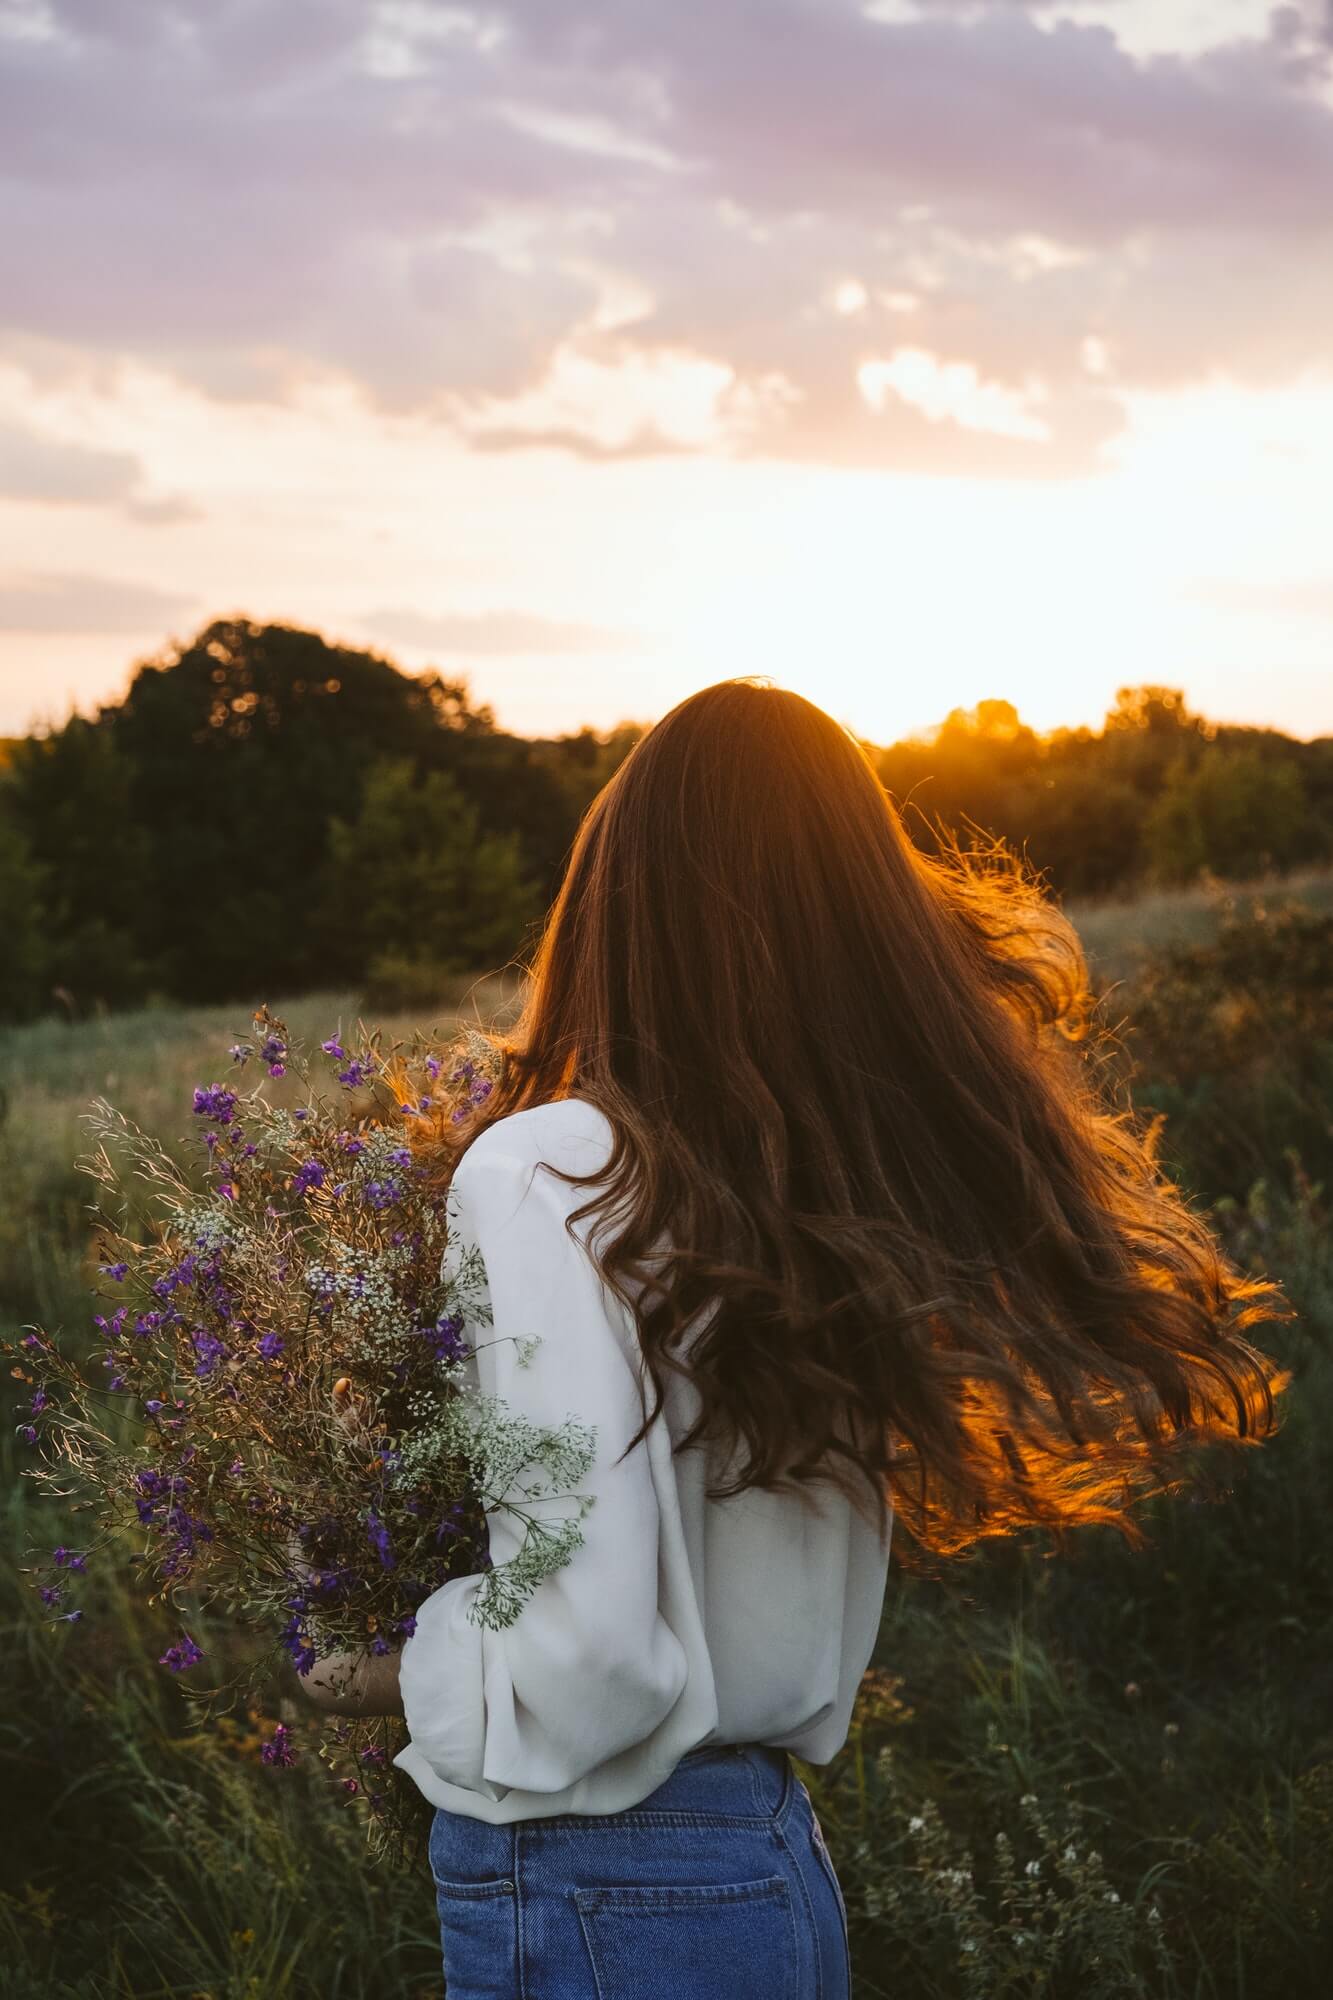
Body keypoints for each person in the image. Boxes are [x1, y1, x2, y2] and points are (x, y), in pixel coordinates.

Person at [301, 678, 1285, 1999]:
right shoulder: (819, 1197)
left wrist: (381, 1668)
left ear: (616, 897)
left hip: (601, 1882)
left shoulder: (548, 1172)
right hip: (766, 1870)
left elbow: (593, 1658)